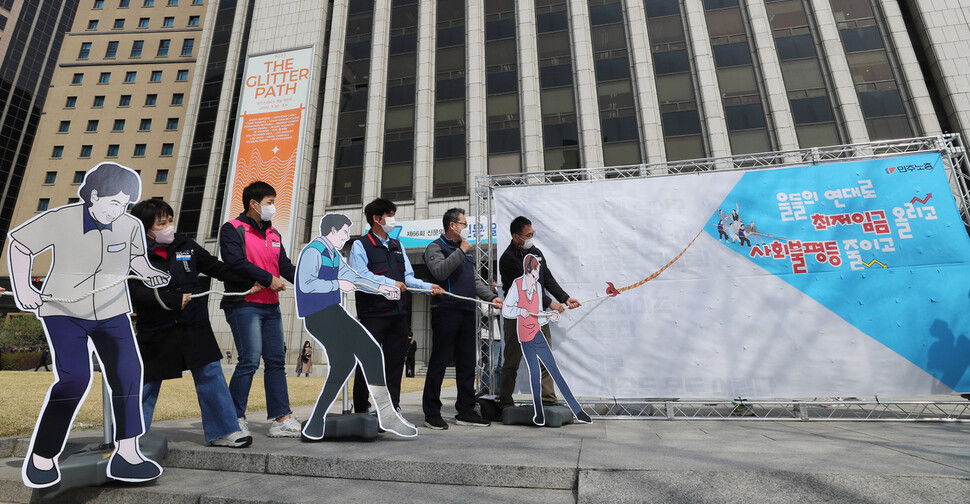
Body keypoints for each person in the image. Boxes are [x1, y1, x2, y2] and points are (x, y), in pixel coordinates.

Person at [7, 162, 168, 488]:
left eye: (124, 205)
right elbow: (19, 245)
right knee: (75, 380)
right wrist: (25, 289)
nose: (118, 211)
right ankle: (42, 456)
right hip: (63, 311)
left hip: (112, 311)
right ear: (94, 194)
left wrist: (147, 270)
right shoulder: (60, 219)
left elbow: (135, 257)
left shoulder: (130, 225)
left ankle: (127, 453)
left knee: (128, 372)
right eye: (113, 203)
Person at [128, 199, 256, 448]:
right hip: (156, 328)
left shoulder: (185, 244)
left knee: (211, 374)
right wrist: (173, 300)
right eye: (161, 223)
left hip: (194, 324)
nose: (168, 227)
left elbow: (215, 267)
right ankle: (132, 437)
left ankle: (224, 431)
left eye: (170, 220)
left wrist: (249, 282)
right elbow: (133, 290)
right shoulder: (133, 253)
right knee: (147, 383)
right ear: (145, 229)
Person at [295, 213, 416, 439]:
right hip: (317, 314)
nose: (346, 237)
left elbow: (355, 277)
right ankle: (386, 414)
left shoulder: (334, 255)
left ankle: (315, 423)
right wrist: (336, 283)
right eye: (344, 232)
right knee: (370, 351)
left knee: (346, 362)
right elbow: (306, 283)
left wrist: (381, 288)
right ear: (332, 231)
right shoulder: (314, 251)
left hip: (332, 311)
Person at [218, 181, 300, 438]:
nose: (273, 207)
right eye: (269, 202)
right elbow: (235, 262)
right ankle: (234, 417)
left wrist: (311, 282)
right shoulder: (232, 229)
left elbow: (285, 267)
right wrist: (267, 279)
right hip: (244, 304)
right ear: (253, 204)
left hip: (270, 307)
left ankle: (282, 419)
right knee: (250, 361)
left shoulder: (274, 234)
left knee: (276, 361)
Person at [349, 198, 442, 414]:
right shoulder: (360, 245)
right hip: (373, 314)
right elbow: (360, 277)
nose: (392, 219)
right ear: (376, 218)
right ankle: (362, 408)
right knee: (368, 361)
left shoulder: (397, 245)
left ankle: (391, 407)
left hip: (398, 314)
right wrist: (391, 283)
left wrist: (428, 287)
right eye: (389, 215)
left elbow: (408, 278)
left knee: (395, 362)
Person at [422, 208, 502, 429]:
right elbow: (439, 271)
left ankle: (465, 410)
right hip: (446, 310)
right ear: (452, 226)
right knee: (439, 362)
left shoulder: (464, 252)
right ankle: (432, 412)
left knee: (467, 363)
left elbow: (475, 282)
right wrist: (461, 251)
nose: (466, 228)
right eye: (464, 224)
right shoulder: (436, 247)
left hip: (468, 312)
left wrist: (492, 298)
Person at [497, 216, 580, 409]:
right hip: (518, 318)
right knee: (511, 361)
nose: (531, 238)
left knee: (545, 358)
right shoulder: (508, 259)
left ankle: (549, 400)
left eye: (532, 234)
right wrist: (551, 303)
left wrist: (564, 298)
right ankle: (505, 402)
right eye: (528, 235)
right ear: (516, 237)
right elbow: (526, 287)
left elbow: (546, 278)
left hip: (539, 316)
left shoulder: (536, 253)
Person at [502, 254, 590, 426]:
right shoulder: (517, 285)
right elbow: (507, 310)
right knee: (534, 374)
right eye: (536, 270)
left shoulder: (537, 287)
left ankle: (578, 411)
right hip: (525, 337)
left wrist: (549, 316)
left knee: (553, 370)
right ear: (528, 269)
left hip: (537, 333)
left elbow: (538, 315)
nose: (538, 273)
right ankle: (539, 414)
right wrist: (520, 311)